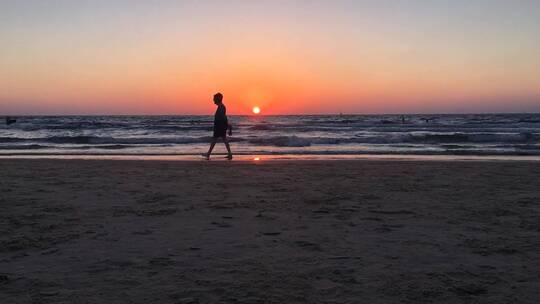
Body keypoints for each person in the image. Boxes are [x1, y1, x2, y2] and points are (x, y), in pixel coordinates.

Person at [202, 93, 233, 160]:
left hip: (220, 126)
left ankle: (208, 154)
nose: (213, 100)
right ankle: (230, 154)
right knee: (223, 140)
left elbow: (223, 117)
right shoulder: (221, 106)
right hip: (220, 126)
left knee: (215, 140)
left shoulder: (221, 107)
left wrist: (228, 126)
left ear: (218, 99)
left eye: (214, 99)